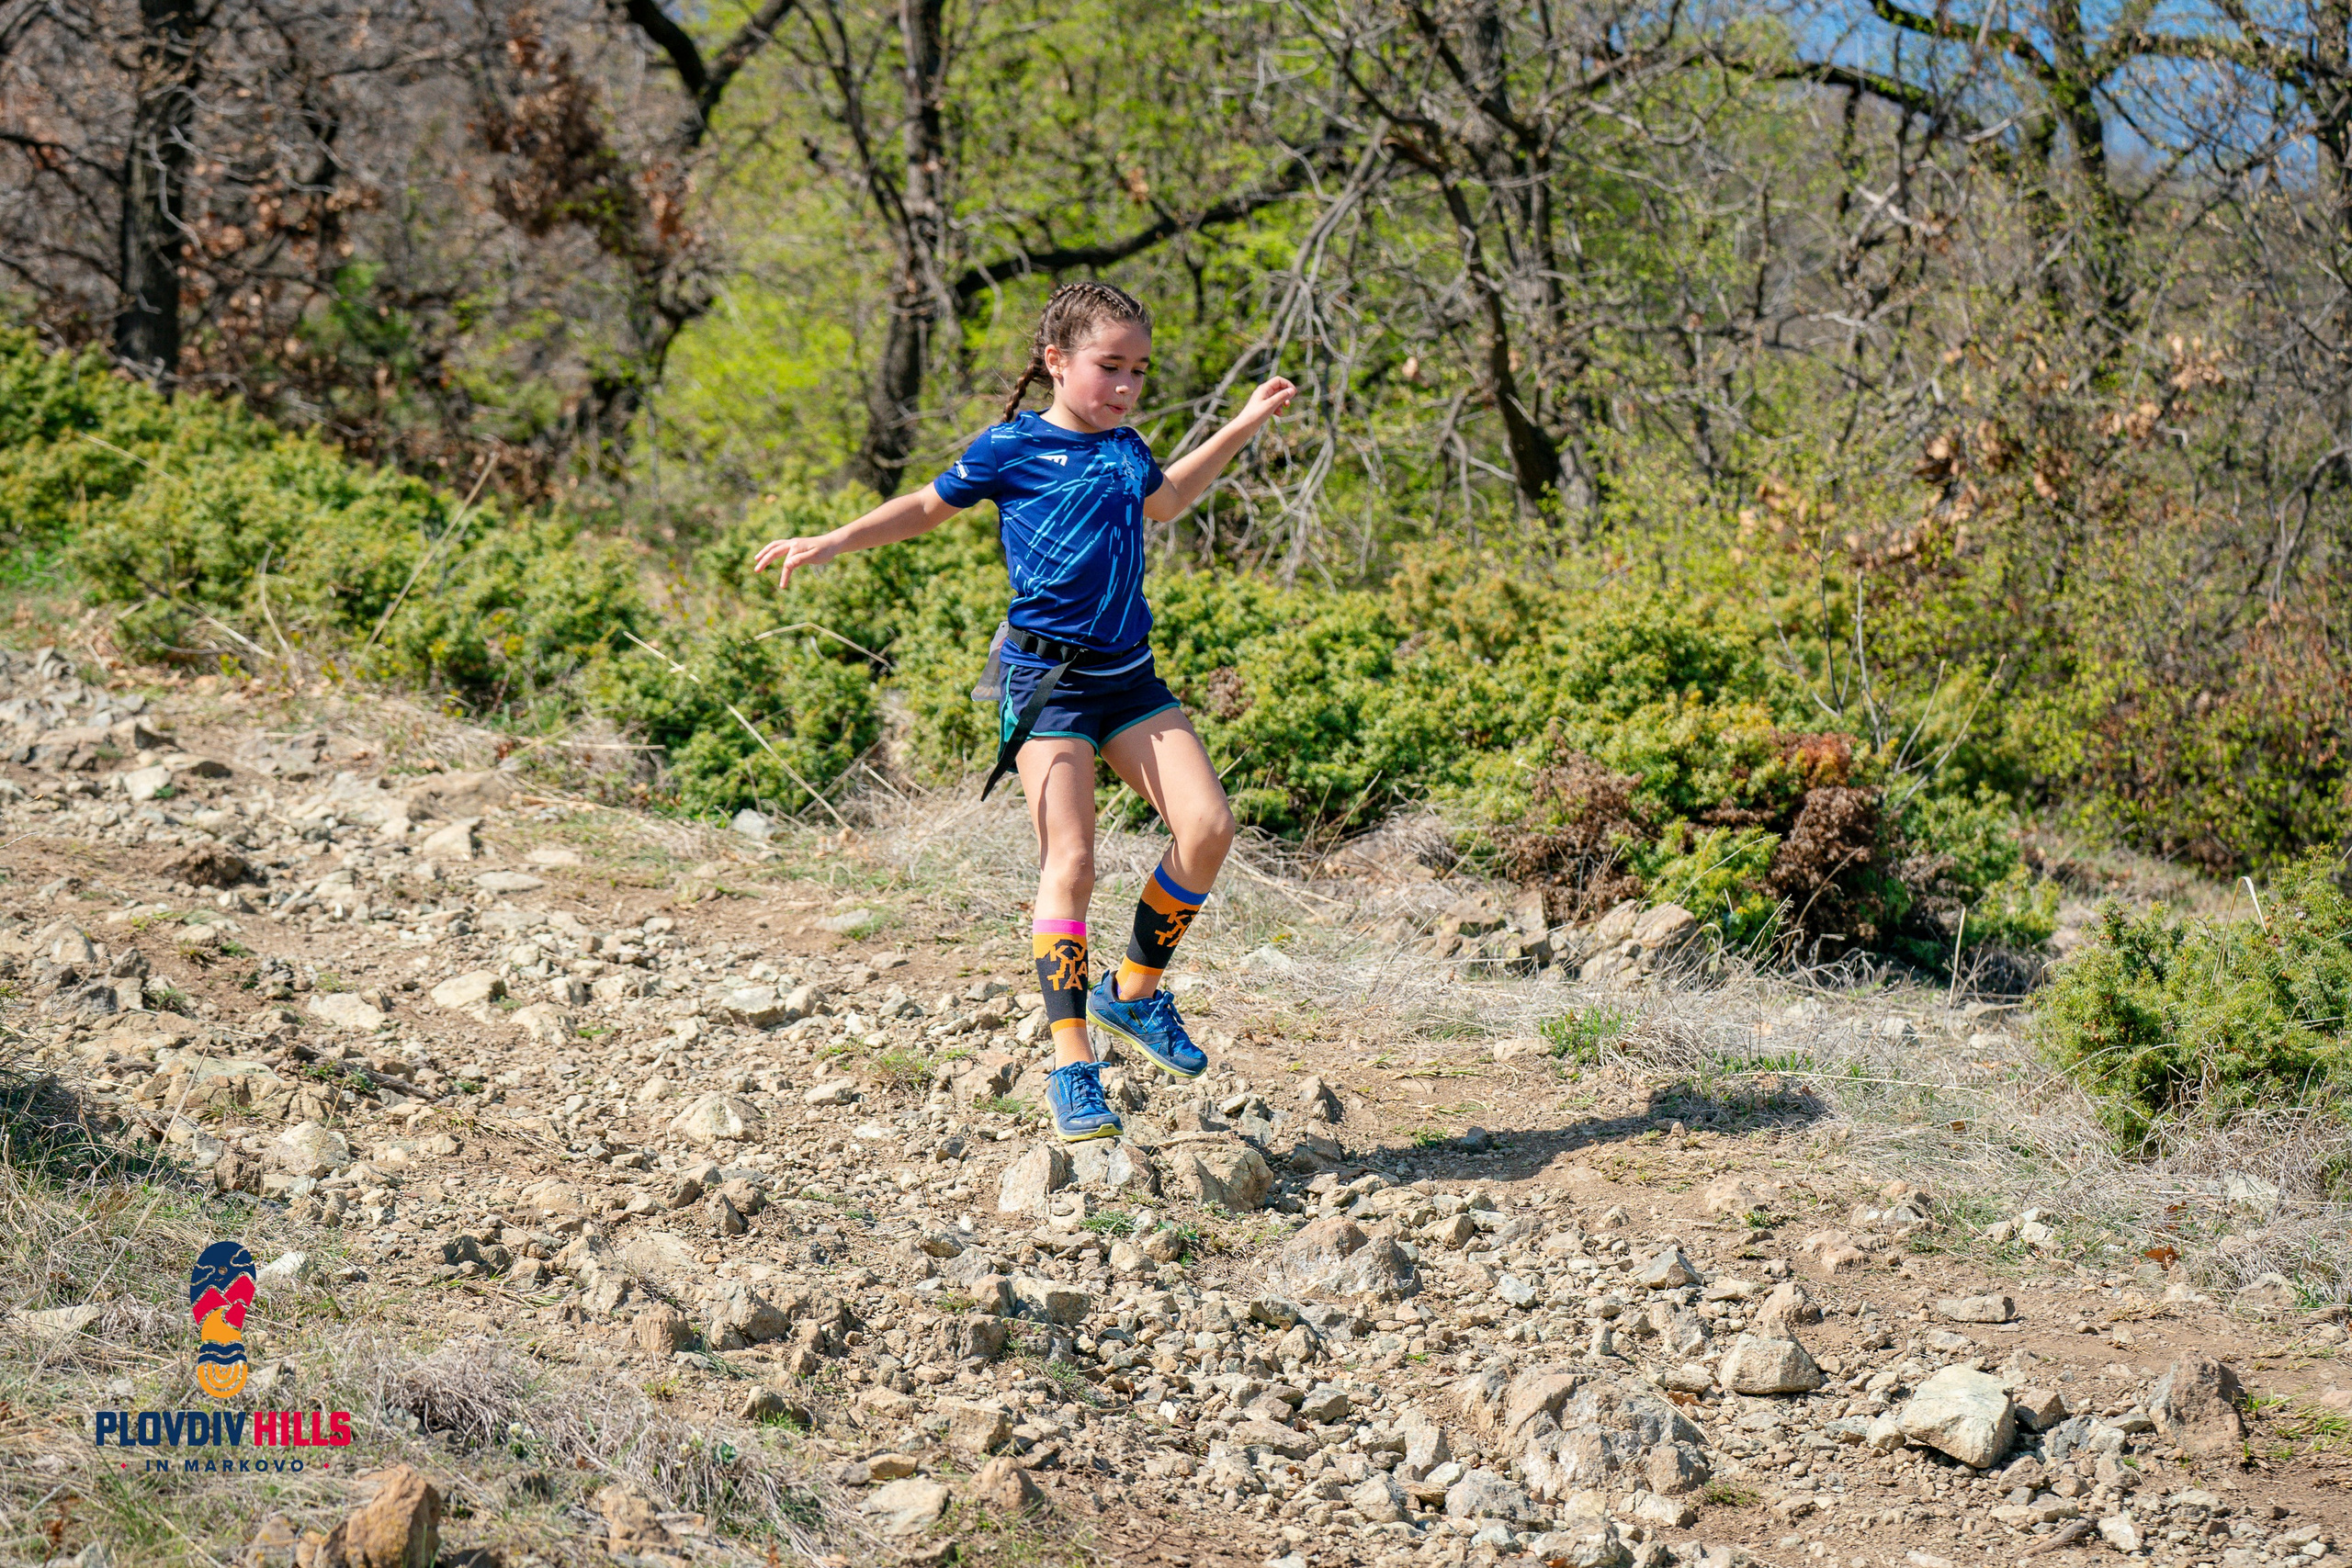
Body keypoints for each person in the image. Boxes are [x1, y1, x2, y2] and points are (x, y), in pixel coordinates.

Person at [752, 280, 1295, 1142]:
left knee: (1209, 827)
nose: (1125, 386)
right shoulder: (1011, 447)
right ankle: (1072, 1062)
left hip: (1130, 679)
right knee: (1070, 862)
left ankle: (1134, 994)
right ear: (1056, 361)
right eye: (1109, 366)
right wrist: (833, 540)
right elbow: (926, 507)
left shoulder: (1125, 449)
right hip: (1045, 686)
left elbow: (1168, 499)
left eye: (1139, 371)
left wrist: (1244, 422)